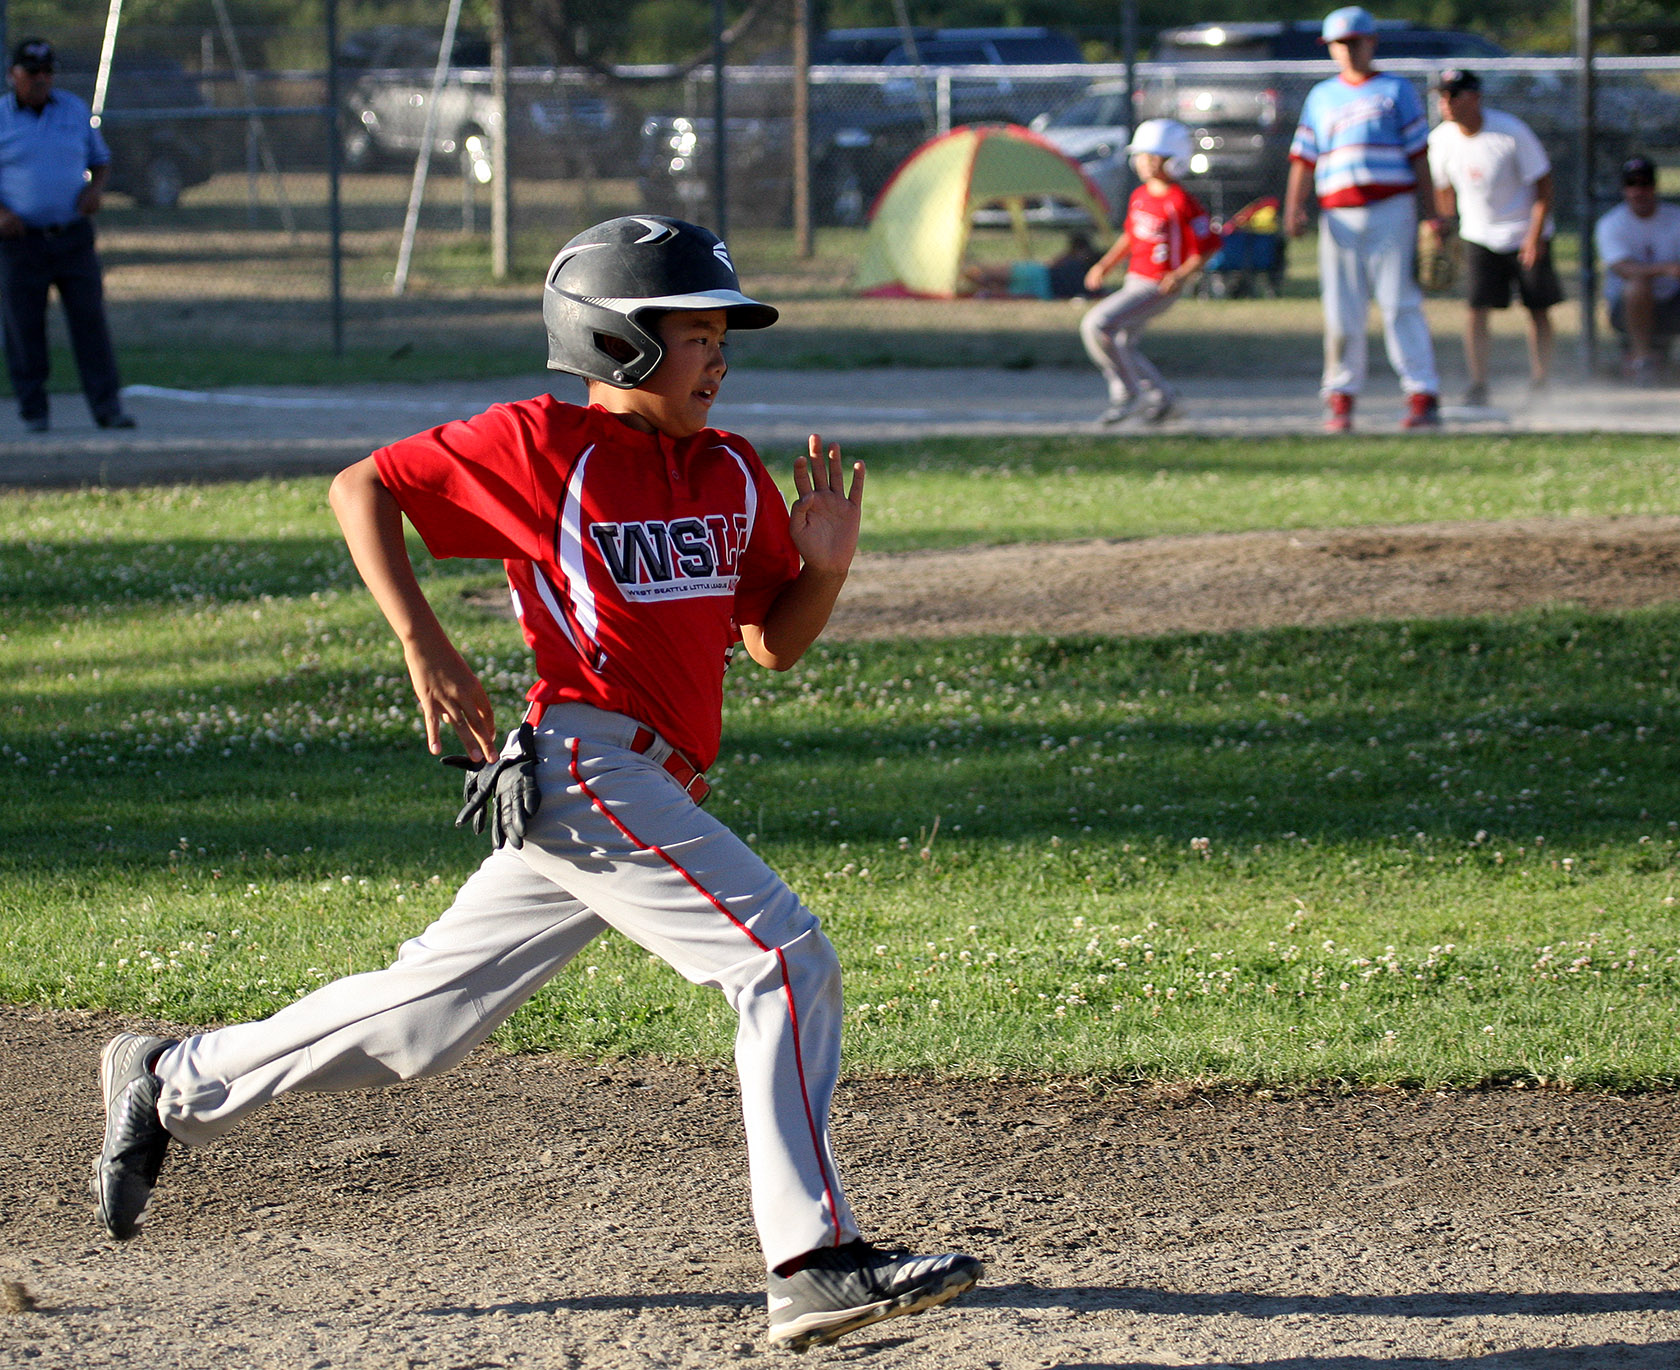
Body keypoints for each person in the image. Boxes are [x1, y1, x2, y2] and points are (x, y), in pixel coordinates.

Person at [89, 215, 982, 1353]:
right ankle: (813, 1261)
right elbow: (364, 486)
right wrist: (424, 640)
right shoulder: (544, 445)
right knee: (780, 959)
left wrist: (827, 568)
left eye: (720, 335)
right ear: (617, 344)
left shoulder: (727, 469)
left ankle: (170, 1074)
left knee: (422, 1024)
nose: (720, 356)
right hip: (584, 761)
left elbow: (770, 642)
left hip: (645, 789)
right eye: (695, 334)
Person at [1283, 7, 1442, 432]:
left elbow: (1418, 156)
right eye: (1340, 44)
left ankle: (1422, 392)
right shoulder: (1321, 96)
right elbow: (1303, 158)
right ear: (1331, 48)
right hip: (1338, 213)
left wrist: (1434, 214)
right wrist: (1293, 207)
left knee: (1399, 302)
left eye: (1355, 42)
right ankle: (1340, 395)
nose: (1348, 51)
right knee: (1341, 309)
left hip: (1393, 206)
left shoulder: (1395, 90)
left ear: (1371, 42)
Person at [0, 37, 133, 433]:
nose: (41, 79)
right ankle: (34, 410)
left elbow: (101, 160)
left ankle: (107, 407)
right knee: (24, 327)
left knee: (89, 321)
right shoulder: (2, 117)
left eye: (47, 72)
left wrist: (95, 189)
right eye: (32, 72)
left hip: (72, 236)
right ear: (14, 75)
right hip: (20, 241)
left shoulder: (73, 110)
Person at [1426, 68, 1563, 405]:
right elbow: (1443, 190)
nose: (1446, 102)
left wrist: (1534, 237)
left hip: (1524, 232)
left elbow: (1544, 187)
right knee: (1475, 307)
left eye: (1453, 95)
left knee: (1537, 308)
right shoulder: (1441, 139)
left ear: (1474, 97)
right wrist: (1445, 227)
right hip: (1478, 233)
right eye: (1442, 96)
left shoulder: (1510, 133)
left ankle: (1542, 381)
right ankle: (1478, 384)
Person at [1078, 118, 1216, 425]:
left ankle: (1128, 394)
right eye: (1140, 156)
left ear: (1173, 161)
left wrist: (1179, 276)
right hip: (1135, 280)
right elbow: (1130, 236)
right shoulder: (1140, 195)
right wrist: (1105, 265)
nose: (1142, 163)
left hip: (1157, 286)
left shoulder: (1179, 202)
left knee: (1098, 326)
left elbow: (1206, 247)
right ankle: (1164, 399)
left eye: (1151, 157)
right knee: (1122, 343)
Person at [1594, 155, 1680, 385]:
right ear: (1624, 189)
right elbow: (1623, 268)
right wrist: (1667, 269)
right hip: (1626, 309)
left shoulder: (1675, 218)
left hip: (1672, 302)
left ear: (1654, 187)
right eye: (1632, 184)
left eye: (1645, 184)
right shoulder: (1611, 223)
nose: (1638, 191)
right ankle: (1643, 361)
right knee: (1637, 284)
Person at [962, 230, 1102, 299]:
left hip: (1040, 275)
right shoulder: (1092, 284)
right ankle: (979, 284)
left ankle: (965, 274)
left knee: (990, 275)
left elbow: (1053, 264)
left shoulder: (1072, 261)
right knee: (997, 289)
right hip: (1044, 291)